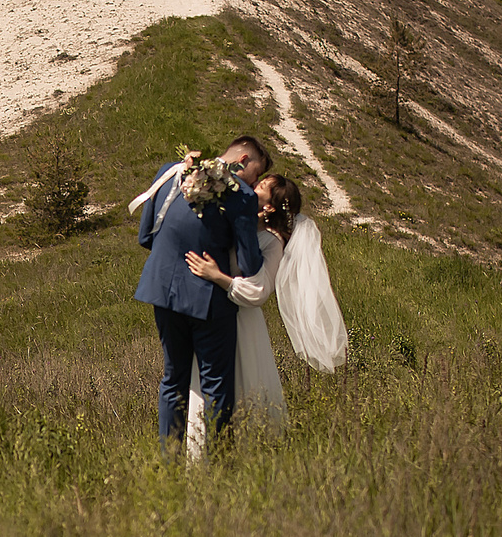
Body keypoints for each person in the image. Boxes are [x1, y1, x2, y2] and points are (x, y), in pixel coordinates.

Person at [182, 173, 350, 433]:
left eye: (260, 187)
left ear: (269, 206)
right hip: (214, 315)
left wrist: (216, 276)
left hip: (243, 323)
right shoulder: (238, 224)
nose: (251, 186)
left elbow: (258, 292)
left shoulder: (271, 241)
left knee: (242, 385)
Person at [129, 136, 266, 454]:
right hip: (208, 299)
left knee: (172, 378)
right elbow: (248, 264)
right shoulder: (241, 195)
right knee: (216, 383)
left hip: (162, 289)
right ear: (244, 160)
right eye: (256, 174)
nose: (255, 183)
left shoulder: (172, 172)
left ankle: (170, 460)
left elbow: (145, 235)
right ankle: (216, 462)